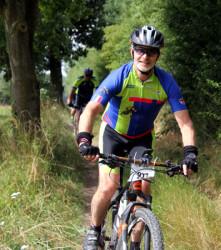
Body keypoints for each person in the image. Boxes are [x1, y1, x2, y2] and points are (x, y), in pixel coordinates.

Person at [77, 25, 198, 250]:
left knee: (141, 193)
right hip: (112, 134)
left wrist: (189, 154)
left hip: (142, 139)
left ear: (158, 55)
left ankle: (134, 245)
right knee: (108, 187)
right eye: (141, 50)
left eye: (151, 52)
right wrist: (85, 139)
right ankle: (94, 231)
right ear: (132, 51)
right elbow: (91, 109)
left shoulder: (166, 82)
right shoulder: (120, 76)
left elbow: (185, 123)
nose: (145, 56)